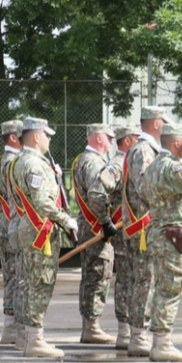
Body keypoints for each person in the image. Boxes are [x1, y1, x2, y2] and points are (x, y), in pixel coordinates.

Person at [138, 123, 182, 361]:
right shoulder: (170, 168)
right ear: (178, 144)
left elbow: (142, 193)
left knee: (161, 288)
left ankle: (159, 341)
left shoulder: (152, 168)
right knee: (171, 289)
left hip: (158, 232)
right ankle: (162, 344)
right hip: (172, 236)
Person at [11, 117, 78, 359]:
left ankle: (28, 337)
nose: (50, 139)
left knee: (31, 283)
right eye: (47, 135)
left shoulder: (25, 162)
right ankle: (35, 340)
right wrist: (65, 219)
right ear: (36, 137)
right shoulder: (34, 164)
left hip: (34, 229)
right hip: (41, 231)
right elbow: (41, 202)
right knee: (41, 283)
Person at [122, 106, 168, 356]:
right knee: (144, 281)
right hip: (142, 229)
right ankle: (139, 335)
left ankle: (137, 333)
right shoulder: (143, 151)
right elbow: (145, 187)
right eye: (164, 122)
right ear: (157, 124)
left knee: (141, 280)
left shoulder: (145, 149)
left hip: (143, 227)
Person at [71, 123, 119, 345]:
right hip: (95, 227)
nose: (111, 143)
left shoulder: (86, 160)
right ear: (99, 139)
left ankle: (91, 325)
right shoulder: (93, 162)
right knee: (97, 276)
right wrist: (106, 221)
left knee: (94, 274)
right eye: (109, 139)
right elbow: (97, 194)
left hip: (89, 226)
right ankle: (91, 327)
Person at [107, 125, 139, 348]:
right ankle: (125, 331)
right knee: (126, 279)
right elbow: (100, 188)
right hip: (122, 230)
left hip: (134, 228)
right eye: (136, 138)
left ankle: (130, 330)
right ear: (127, 141)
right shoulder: (118, 164)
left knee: (133, 278)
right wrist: (104, 220)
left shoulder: (133, 162)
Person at [0, 119, 24, 344]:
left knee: (12, 278)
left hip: (5, 227)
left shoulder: (2, 161)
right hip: (11, 227)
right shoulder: (12, 162)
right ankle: (12, 327)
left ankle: (11, 326)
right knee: (15, 278)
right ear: (13, 137)